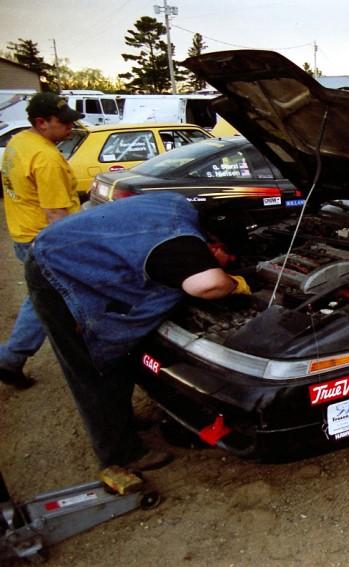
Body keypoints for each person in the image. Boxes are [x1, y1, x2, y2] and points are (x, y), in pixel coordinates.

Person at [24, 192, 251, 471]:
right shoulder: (182, 245)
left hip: (66, 250)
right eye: (229, 259)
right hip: (59, 274)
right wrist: (235, 284)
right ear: (215, 247)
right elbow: (208, 285)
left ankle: (119, 420)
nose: (229, 265)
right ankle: (121, 454)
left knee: (118, 356)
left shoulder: (181, 206)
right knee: (92, 366)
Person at [0, 92, 82, 390]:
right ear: (41, 122)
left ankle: (9, 359)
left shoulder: (19, 141)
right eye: (64, 123)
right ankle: (11, 359)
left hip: (24, 235)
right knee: (50, 302)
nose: (71, 129)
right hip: (44, 242)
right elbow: (56, 215)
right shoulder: (47, 159)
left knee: (39, 300)